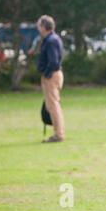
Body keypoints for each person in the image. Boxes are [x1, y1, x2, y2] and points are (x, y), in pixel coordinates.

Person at [37, 15, 65, 143]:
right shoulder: (52, 39)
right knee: (52, 105)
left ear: (44, 26)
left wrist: (47, 74)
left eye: (39, 25)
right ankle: (58, 133)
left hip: (51, 75)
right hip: (53, 74)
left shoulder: (51, 40)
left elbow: (53, 61)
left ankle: (58, 135)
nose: (38, 28)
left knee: (53, 106)